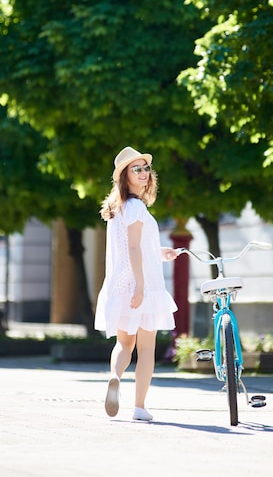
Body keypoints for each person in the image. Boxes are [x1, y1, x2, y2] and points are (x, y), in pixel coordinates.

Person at [94, 146, 179, 422]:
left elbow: (138, 246)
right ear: (124, 176)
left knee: (123, 344)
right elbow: (133, 248)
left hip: (120, 285)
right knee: (145, 348)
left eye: (145, 168)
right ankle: (139, 407)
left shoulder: (119, 208)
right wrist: (141, 286)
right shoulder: (136, 207)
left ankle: (114, 377)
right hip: (143, 286)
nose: (143, 173)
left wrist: (160, 252)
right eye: (136, 169)